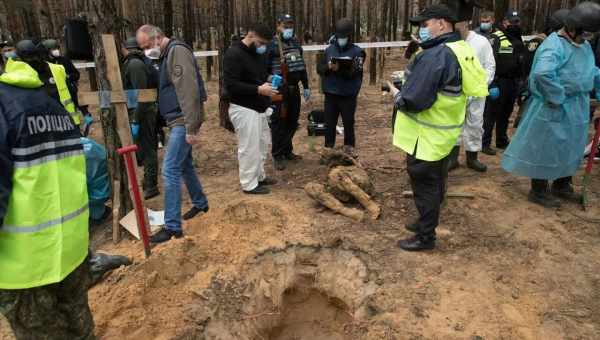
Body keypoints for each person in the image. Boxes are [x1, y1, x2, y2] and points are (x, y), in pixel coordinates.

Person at [0, 58, 94, 339]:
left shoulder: (4, 110)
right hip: (71, 250)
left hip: (25, 265)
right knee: (80, 330)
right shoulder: (51, 105)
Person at [388, 4, 488, 251]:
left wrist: (397, 94)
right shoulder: (460, 47)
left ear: (441, 24)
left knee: (425, 183)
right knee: (436, 180)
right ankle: (425, 221)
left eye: (425, 24)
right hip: (445, 132)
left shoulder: (436, 55)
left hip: (427, 134)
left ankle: (425, 237)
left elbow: (415, 99)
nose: (423, 29)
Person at [501, 2, 600, 208]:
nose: (588, 38)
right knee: (546, 146)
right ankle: (538, 189)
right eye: (586, 33)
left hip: (578, 106)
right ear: (573, 29)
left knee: (571, 146)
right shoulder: (554, 45)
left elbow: (592, 71)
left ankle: (562, 185)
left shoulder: (583, 46)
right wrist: (557, 96)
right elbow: (542, 73)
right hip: (554, 105)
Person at [136, 25, 209, 243]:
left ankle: (172, 227)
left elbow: (189, 90)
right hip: (177, 118)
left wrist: (191, 126)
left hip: (182, 120)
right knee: (184, 164)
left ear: (158, 37)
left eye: (148, 46)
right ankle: (200, 203)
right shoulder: (167, 54)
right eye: (143, 48)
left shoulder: (177, 51)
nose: (147, 51)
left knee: (169, 169)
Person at [223, 23, 278, 195]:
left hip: (259, 107)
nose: (262, 47)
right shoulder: (233, 54)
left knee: (262, 143)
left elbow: (258, 75)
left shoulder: (257, 54)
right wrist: (258, 90)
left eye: (265, 44)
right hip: (243, 108)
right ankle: (248, 183)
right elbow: (231, 85)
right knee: (249, 147)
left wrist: (269, 78)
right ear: (251, 35)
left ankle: (259, 176)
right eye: (261, 43)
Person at [448, 22, 496, 172]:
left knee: (475, 124)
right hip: (455, 92)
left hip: (476, 93)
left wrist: (481, 84)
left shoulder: (481, 42)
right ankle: (452, 158)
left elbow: (490, 65)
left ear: (466, 23)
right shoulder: (449, 42)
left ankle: (472, 158)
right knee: (453, 124)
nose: (456, 26)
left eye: (459, 23)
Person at [267, 14, 311, 171]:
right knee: (279, 123)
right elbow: (263, 69)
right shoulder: (271, 44)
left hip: (294, 88)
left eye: (291, 26)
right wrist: (271, 78)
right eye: (286, 26)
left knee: (292, 121)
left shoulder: (295, 42)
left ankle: (287, 150)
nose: (289, 29)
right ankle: (277, 155)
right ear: (278, 26)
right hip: (279, 90)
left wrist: (305, 86)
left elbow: (301, 65)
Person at [480, 10, 526, 156]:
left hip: (513, 82)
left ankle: (501, 139)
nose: (514, 24)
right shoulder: (495, 38)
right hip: (498, 82)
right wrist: (491, 83)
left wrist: (521, 83)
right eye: (512, 22)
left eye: (517, 22)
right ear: (505, 22)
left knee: (506, 113)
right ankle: (484, 143)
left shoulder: (518, 39)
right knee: (490, 114)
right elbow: (488, 63)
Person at [317, 18, 366, 155]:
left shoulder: (358, 52)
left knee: (348, 122)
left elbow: (355, 72)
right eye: (339, 36)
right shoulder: (329, 50)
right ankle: (328, 149)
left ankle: (349, 149)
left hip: (348, 95)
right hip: (331, 94)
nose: (341, 39)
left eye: (343, 36)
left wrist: (340, 68)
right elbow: (319, 69)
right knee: (329, 124)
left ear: (349, 36)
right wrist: (328, 67)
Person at [121, 37, 160, 200]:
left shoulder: (135, 65)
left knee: (148, 149)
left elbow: (142, 96)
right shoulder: (133, 63)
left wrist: (136, 119)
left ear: (127, 48)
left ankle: (151, 186)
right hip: (140, 111)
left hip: (143, 112)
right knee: (143, 149)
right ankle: (148, 181)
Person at [15, 39, 81, 127]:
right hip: (46, 122)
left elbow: (71, 91)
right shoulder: (19, 76)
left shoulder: (59, 66)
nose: (33, 61)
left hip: (63, 119)